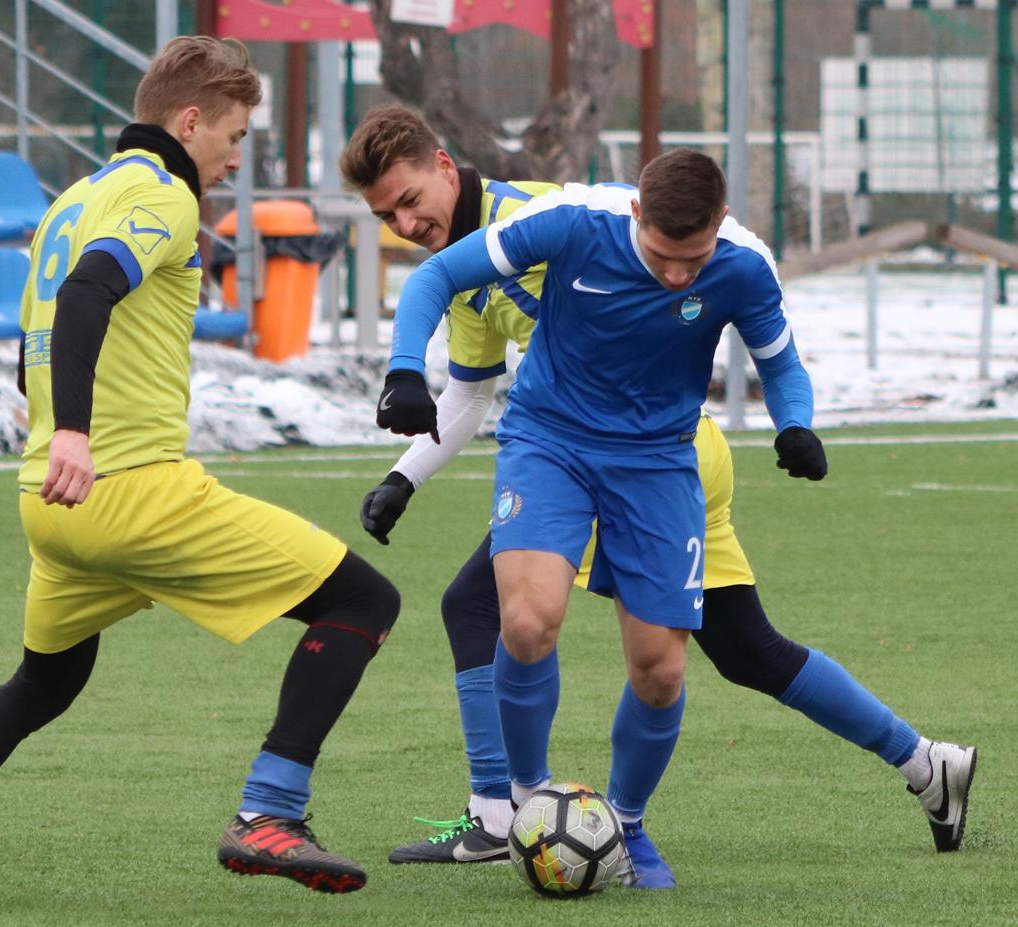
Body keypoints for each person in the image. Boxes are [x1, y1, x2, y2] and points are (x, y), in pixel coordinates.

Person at [346, 109, 976, 886]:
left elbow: (778, 357)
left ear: (445, 167)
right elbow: (466, 376)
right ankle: (517, 806)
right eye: (388, 215)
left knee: (667, 662)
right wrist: (405, 448)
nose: (407, 225)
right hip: (554, 446)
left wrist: (795, 426)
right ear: (640, 216)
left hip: (667, 459)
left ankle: (589, 820)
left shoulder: (579, 221)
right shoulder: (513, 254)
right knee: (527, 615)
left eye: (410, 202)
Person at [0, 37, 399, 905]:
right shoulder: (163, 194)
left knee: (44, 682)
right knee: (364, 600)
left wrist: (58, 436)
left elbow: (44, 328)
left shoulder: (74, 199)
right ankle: (269, 812)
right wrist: (76, 430)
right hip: (128, 489)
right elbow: (87, 293)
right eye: (234, 136)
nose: (235, 157)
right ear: (189, 121)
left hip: (51, 502)